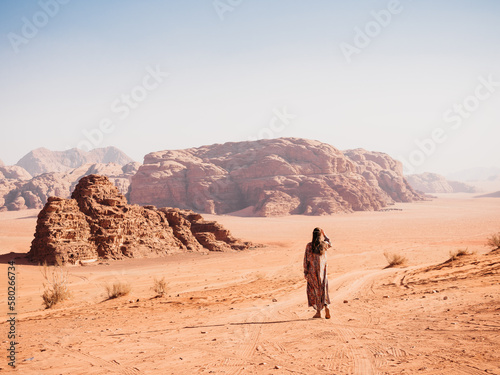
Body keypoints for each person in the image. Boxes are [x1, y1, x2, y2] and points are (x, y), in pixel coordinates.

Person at [303, 227, 331, 319]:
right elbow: (329, 242)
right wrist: (324, 235)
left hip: (312, 274)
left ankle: (318, 312)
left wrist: (305, 272)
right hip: (323, 274)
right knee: (323, 290)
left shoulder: (309, 246)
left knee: (315, 292)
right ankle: (326, 306)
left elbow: (306, 259)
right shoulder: (324, 245)